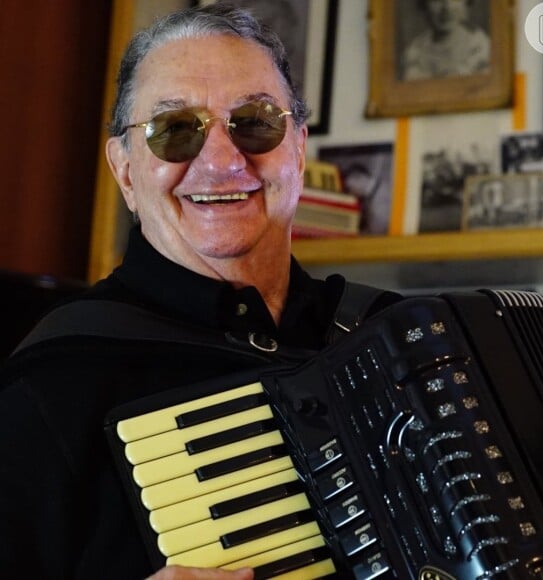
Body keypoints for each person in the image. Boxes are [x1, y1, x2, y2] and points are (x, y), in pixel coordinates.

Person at [0, 3, 400, 579]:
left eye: (256, 122)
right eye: (174, 131)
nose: (220, 161)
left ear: (298, 150)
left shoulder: (395, 338)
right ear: (126, 171)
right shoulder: (51, 386)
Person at [401, 0, 490, 80]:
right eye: (437, 0)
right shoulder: (414, 54)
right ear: (424, 4)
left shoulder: (480, 48)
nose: (447, 8)